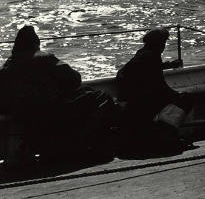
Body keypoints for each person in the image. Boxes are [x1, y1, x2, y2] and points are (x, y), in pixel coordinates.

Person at [0, 25, 117, 163]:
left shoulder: (6, 67)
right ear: (36, 44)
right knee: (102, 97)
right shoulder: (44, 57)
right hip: (52, 111)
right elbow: (74, 79)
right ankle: (89, 145)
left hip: (24, 118)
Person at [116, 27, 193, 155]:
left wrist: (167, 65)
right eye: (163, 43)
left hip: (130, 101)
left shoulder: (142, 54)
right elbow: (161, 87)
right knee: (185, 99)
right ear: (159, 44)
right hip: (143, 102)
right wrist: (178, 95)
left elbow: (145, 70)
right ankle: (166, 132)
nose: (164, 46)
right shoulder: (152, 58)